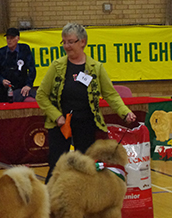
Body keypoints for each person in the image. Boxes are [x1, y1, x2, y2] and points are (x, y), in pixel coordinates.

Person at [36, 23, 136, 183]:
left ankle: (84, 202)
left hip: (86, 124)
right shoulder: (57, 66)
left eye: (70, 42)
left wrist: (125, 112)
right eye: (64, 42)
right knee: (56, 166)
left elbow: (111, 94)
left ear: (82, 42)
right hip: (60, 126)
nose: (66, 46)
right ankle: (49, 203)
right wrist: (57, 117)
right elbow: (41, 95)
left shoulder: (96, 68)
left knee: (87, 167)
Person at [0, 27, 36, 102]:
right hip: (4, 90)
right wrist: (2, 80)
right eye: (8, 38)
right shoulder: (1, 52)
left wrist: (28, 85)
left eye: (12, 38)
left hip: (21, 89)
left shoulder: (25, 49)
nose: (9, 41)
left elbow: (32, 69)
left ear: (17, 38)